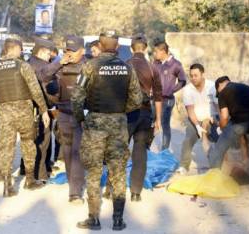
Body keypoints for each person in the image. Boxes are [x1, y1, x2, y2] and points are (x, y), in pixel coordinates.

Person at [72, 31, 142, 231]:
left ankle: (93, 219)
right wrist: (119, 112)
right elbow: (137, 100)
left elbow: (76, 98)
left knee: (94, 173)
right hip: (119, 125)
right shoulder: (128, 69)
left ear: (101, 46)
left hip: (94, 124)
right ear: (117, 47)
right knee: (118, 173)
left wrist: (81, 119)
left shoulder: (90, 66)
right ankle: (118, 220)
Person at [0, 38, 50, 197]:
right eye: (20, 49)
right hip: (24, 111)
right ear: (14, 49)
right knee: (28, 144)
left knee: (6, 148)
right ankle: (30, 180)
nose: (21, 52)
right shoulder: (23, 65)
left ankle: (7, 184)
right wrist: (43, 110)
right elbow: (35, 89)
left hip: (4, 113)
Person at [208, 76, 249, 197]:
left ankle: (214, 180)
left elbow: (224, 117)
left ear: (219, 86)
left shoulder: (223, 92)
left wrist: (221, 128)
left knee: (219, 149)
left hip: (239, 123)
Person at [23, 37, 69, 180]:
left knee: (40, 140)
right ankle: (40, 174)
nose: (50, 57)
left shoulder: (31, 63)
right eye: (49, 54)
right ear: (42, 52)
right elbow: (45, 77)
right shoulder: (36, 65)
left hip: (38, 108)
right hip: (39, 108)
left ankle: (33, 169)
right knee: (42, 141)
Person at [126, 35, 162, 202]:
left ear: (131, 48)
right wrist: (159, 120)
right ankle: (135, 193)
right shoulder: (152, 67)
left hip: (126, 114)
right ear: (146, 48)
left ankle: (111, 190)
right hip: (145, 113)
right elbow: (158, 97)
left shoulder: (125, 65)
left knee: (119, 151)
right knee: (140, 151)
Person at [56, 36, 86, 204]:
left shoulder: (88, 66)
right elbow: (45, 76)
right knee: (67, 150)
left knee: (77, 151)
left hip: (81, 114)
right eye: (67, 50)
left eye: (73, 51)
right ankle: (73, 183)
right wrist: (58, 63)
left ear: (82, 50)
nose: (70, 54)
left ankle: (74, 192)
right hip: (63, 113)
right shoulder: (60, 66)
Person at [177, 63, 218, 174]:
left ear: (202, 74)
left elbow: (217, 105)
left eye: (196, 75)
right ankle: (184, 166)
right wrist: (197, 126)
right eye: (191, 76)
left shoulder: (212, 86)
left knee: (219, 140)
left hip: (211, 118)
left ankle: (217, 165)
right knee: (188, 140)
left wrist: (215, 119)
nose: (193, 78)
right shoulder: (187, 90)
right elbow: (190, 110)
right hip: (195, 119)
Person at [153, 41, 186, 150]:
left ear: (163, 51)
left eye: (156, 52)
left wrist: (171, 90)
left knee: (164, 125)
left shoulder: (176, 64)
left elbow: (183, 81)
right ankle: (145, 148)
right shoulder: (155, 63)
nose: (154, 54)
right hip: (154, 99)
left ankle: (164, 150)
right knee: (151, 122)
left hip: (167, 100)